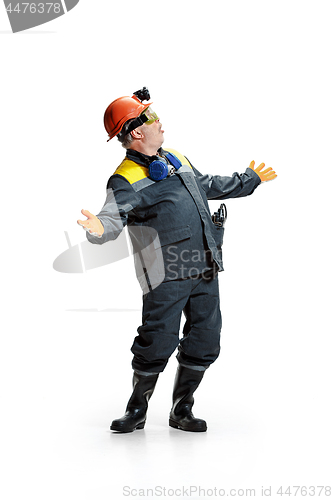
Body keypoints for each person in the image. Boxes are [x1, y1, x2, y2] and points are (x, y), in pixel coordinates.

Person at [77, 87, 277, 433]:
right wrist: (98, 228)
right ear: (137, 131)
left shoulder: (176, 158)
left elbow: (205, 184)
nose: (160, 123)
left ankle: (182, 408)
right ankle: (137, 410)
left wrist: (248, 181)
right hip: (165, 273)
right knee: (158, 338)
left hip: (204, 265)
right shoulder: (125, 178)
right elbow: (111, 216)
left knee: (206, 337)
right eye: (153, 118)